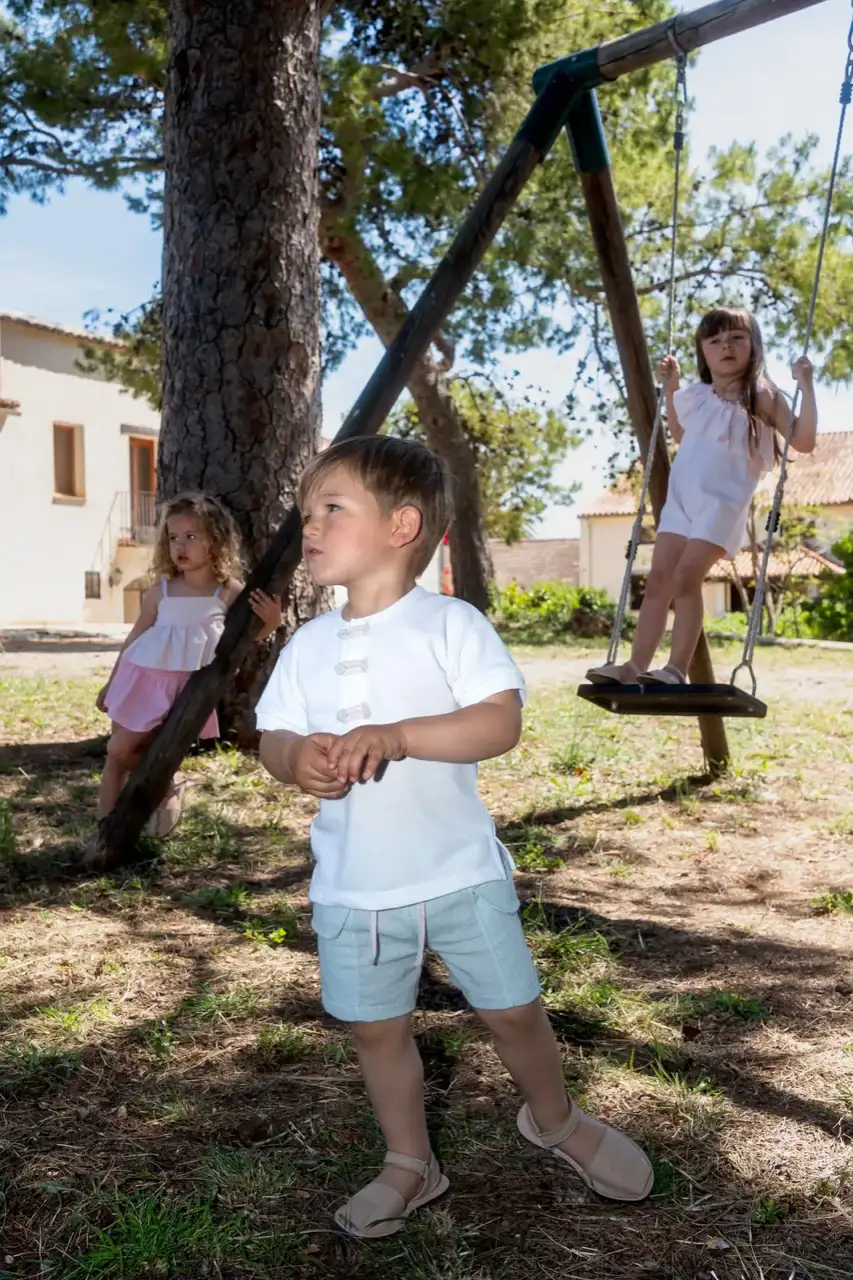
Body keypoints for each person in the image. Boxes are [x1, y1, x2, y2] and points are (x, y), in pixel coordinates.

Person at [256, 435, 653, 1240]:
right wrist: (296, 759)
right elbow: (272, 737)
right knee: (377, 1031)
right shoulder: (307, 645)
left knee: (512, 1010)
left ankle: (555, 1121)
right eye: (306, 512)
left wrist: (399, 735)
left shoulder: (447, 624)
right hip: (355, 887)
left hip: (458, 874)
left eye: (331, 508)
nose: (310, 526)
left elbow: (498, 722)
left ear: (400, 526)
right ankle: (410, 1163)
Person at [587, 306, 818, 687]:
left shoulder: (761, 396)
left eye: (736, 338)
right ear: (703, 352)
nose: (726, 346)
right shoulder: (698, 395)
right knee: (658, 580)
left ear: (754, 346)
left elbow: (804, 440)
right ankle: (634, 666)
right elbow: (681, 433)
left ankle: (676, 669)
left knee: (685, 578)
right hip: (681, 502)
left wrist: (806, 386)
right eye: (715, 340)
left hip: (721, 504)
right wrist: (672, 385)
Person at [96, 491, 281, 831]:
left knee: (126, 750)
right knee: (116, 755)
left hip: (180, 692)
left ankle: (163, 792)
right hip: (137, 682)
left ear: (215, 540)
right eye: (173, 538)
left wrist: (272, 621)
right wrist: (111, 683)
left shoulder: (227, 592)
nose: (180, 546)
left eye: (191, 537)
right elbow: (135, 638)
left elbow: (248, 637)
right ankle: (104, 831)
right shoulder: (161, 591)